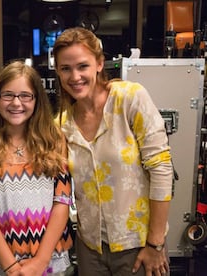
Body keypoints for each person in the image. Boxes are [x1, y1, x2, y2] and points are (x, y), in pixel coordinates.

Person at [53, 27, 173, 276]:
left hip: (138, 245)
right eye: (66, 68)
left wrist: (155, 243)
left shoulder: (129, 98)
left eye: (82, 66)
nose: (75, 76)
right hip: (89, 248)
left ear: (99, 63)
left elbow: (162, 170)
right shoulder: (61, 124)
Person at [0, 61, 73, 275]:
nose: (16, 103)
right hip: (1, 263)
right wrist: (12, 268)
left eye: (25, 95)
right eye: (8, 95)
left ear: (37, 100)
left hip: (49, 259)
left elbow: (62, 201)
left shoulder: (54, 140)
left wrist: (41, 261)